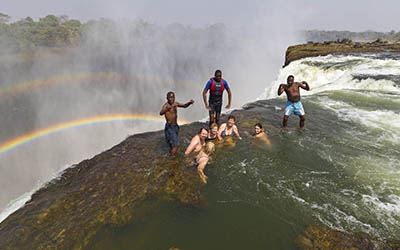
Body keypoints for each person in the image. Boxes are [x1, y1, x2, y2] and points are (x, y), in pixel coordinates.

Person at [160, 91, 194, 156]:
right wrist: (167, 109)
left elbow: (184, 106)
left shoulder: (176, 104)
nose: (172, 99)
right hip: (169, 127)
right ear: (167, 98)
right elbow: (161, 113)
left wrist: (189, 103)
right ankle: (171, 159)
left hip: (175, 126)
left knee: (172, 142)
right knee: (176, 145)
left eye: (173, 97)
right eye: (170, 97)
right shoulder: (166, 105)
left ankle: (172, 153)